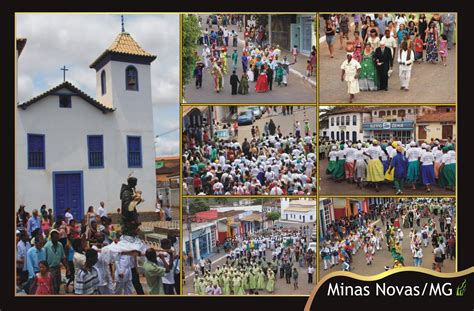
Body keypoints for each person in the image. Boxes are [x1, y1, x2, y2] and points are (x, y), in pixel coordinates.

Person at [44, 229, 68, 294]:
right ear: (51, 238)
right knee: (52, 285)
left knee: (58, 283)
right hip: (50, 268)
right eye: (55, 238)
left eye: (57, 238)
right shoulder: (46, 246)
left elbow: (63, 258)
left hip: (58, 267)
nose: (56, 240)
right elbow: (44, 259)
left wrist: (67, 267)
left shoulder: (60, 245)